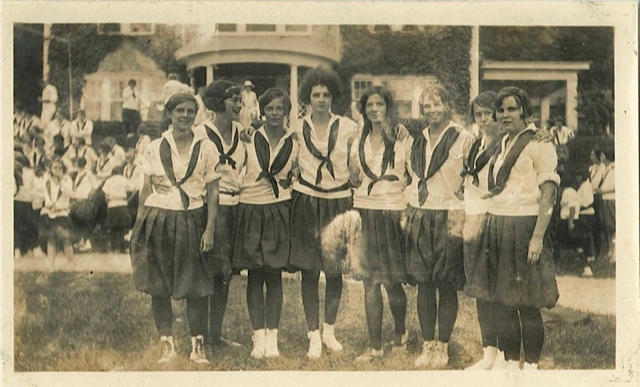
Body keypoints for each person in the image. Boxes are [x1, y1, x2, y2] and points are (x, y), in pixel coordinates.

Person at [130, 93, 221, 364]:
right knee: (159, 285)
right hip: (159, 218)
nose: (184, 116)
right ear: (169, 114)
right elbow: (145, 189)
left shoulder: (206, 148)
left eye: (190, 112)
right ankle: (167, 345)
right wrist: (139, 226)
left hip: (192, 218)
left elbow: (213, 192)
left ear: (196, 115)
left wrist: (209, 230)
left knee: (196, 286)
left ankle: (197, 346)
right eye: (179, 111)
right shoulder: (155, 147)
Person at [473, 87, 560, 370]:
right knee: (504, 301)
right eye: (501, 110)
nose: (505, 115)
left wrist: (537, 238)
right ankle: (511, 364)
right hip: (498, 224)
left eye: (512, 109)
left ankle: (532, 368)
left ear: (524, 110)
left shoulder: (539, 143)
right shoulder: (502, 143)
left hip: (524, 226)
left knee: (527, 302)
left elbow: (549, 196)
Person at [289, 67, 357, 359]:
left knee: (334, 271)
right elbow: (287, 160)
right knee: (309, 269)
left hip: (338, 201)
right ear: (308, 97)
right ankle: (312, 335)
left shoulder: (349, 127)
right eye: (315, 95)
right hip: (307, 200)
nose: (320, 99)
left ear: (333, 97)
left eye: (325, 94)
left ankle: (329, 329)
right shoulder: (297, 127)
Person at [405, 85, 474, 369]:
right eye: (426, 107)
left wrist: (465, 197)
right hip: (422, 213)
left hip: (450, 214)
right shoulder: (416, 139)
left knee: (446, 285)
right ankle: (427, 344)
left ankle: (443, 346)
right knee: (424, 284)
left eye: (436, 105)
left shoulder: (463, 138)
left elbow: (475, 173)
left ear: (447, 105)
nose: (431, 111)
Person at [232, 88, 298, 359]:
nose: (274, 113)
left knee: (274, 276)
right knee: (255, 277)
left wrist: (292, 177)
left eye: (279, 109)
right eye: (269, 108)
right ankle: (258, 337)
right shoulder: (248, 138)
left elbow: (297, 173)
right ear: (261, 111)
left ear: (286, 112)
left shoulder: (294, 143)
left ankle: (273, 337)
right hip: (251, 209)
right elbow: (235, 173)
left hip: (278, 210)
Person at [348, 86, 411, 362]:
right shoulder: (357, 140)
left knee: (392, 282)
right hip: (365, 210)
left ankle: (400, 333)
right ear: (364, 110)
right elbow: (353, 178)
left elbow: (411, 172)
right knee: (369, 282)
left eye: (380, 104)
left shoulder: (402, 137)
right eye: (369, 105)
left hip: (391, 212)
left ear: (388, 107)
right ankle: (374, 346)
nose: (374, 109)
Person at [195, 80, 246, 350]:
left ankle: (216, 334)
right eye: (232, 99)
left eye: (240, 100)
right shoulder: (200, 133)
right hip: (209, 209)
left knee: (224, 274)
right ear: (217, 102)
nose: (239, 105)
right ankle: (200, 336)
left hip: (234, 208)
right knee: (206, 273)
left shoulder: (242, 133)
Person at [461, 91, 506, 370]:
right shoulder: (475, 144)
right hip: (473, 216)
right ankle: (488, 351)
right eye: (478, 114)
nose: (484, 118)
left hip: (496, 217)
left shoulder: (507, 143)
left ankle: (503, 351)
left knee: (496, 285)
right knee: (479, 287)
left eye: (489, 112)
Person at [39, 159, 75, 271]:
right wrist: (49, 204)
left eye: (60, 168)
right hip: (50, 213)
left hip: (62, 213)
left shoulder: (67, 180)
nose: (57, 170)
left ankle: (70, 262)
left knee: (66, 239)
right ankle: (52, 264)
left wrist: (61, 181)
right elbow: (44, 194)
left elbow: (68, 192)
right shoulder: (47, 181)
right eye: (55, 168)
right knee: (51, 239)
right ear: (51, 169)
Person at [68, 157, 98, 252]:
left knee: (85, 221)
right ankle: (82, 241)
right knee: (77, 221)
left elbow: (94, 187)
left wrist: (89, 198)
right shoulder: (78, 174)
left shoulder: (88, 173)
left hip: (84, 199)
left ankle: (87, 242)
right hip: (77, 199)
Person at [14, 153, 39, 258]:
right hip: (23, 200)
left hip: (22, 200)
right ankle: (28, 249)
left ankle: (20, 250)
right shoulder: (26, 171)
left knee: (20, 225)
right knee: (27, 225)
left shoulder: (25, 171)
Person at [596, 148, 615, 262]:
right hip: (605, 199)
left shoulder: (613, 169)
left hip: (611, 199)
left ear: (604, 155)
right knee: (608, 227)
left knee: (612, 227)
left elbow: (615, 185)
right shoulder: (606, 169)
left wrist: (602, 190)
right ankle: (610, 251)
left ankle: (614, 254)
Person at [588, 149, 606, 258]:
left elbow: (594, 184)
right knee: (593, 224)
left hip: (597, 197)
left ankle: (599, 251)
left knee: (598, 224)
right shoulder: (593, 168)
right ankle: (594, 250)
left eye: (593, 155)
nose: (591, 157)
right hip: (591, 195)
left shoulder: (602, 168)